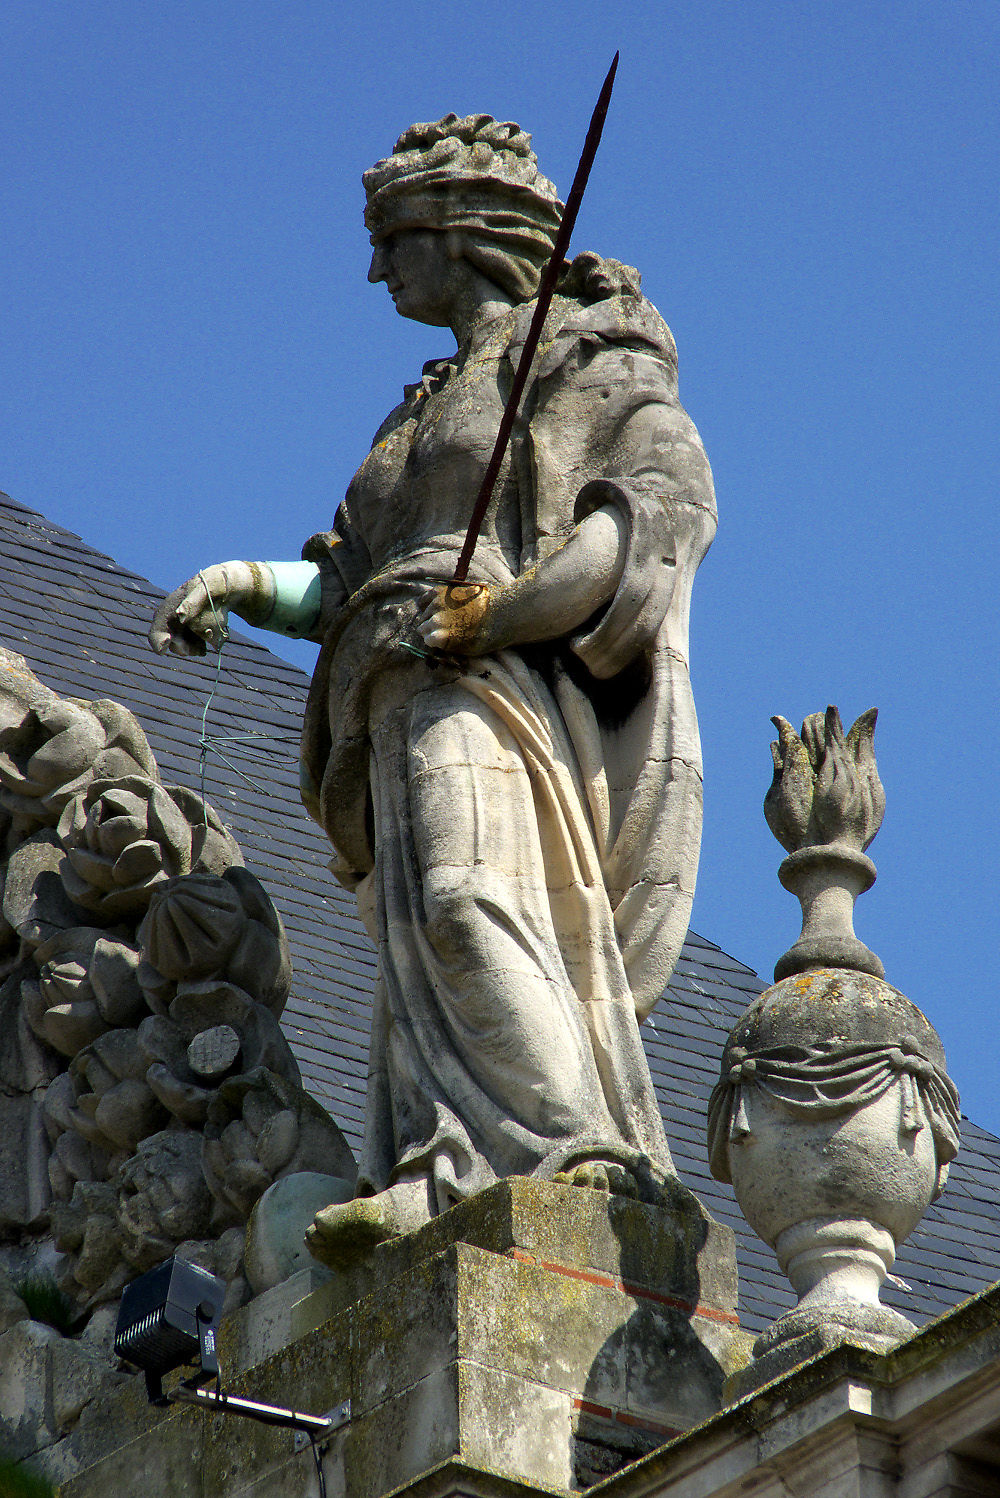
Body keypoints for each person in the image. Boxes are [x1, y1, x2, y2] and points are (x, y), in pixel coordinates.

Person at [150, 113, 717, 1263]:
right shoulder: (424, 404)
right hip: (390, 675)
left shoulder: (582, 358)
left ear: (458, 232)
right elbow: (348, 579)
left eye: (389, 240)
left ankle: (577, 1158)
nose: (375, 269)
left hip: (490, 676)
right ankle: (441, 1164)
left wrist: (503, 612)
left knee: (464, 900)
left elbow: (650, 515)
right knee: (415, 937)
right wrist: (237, 584)